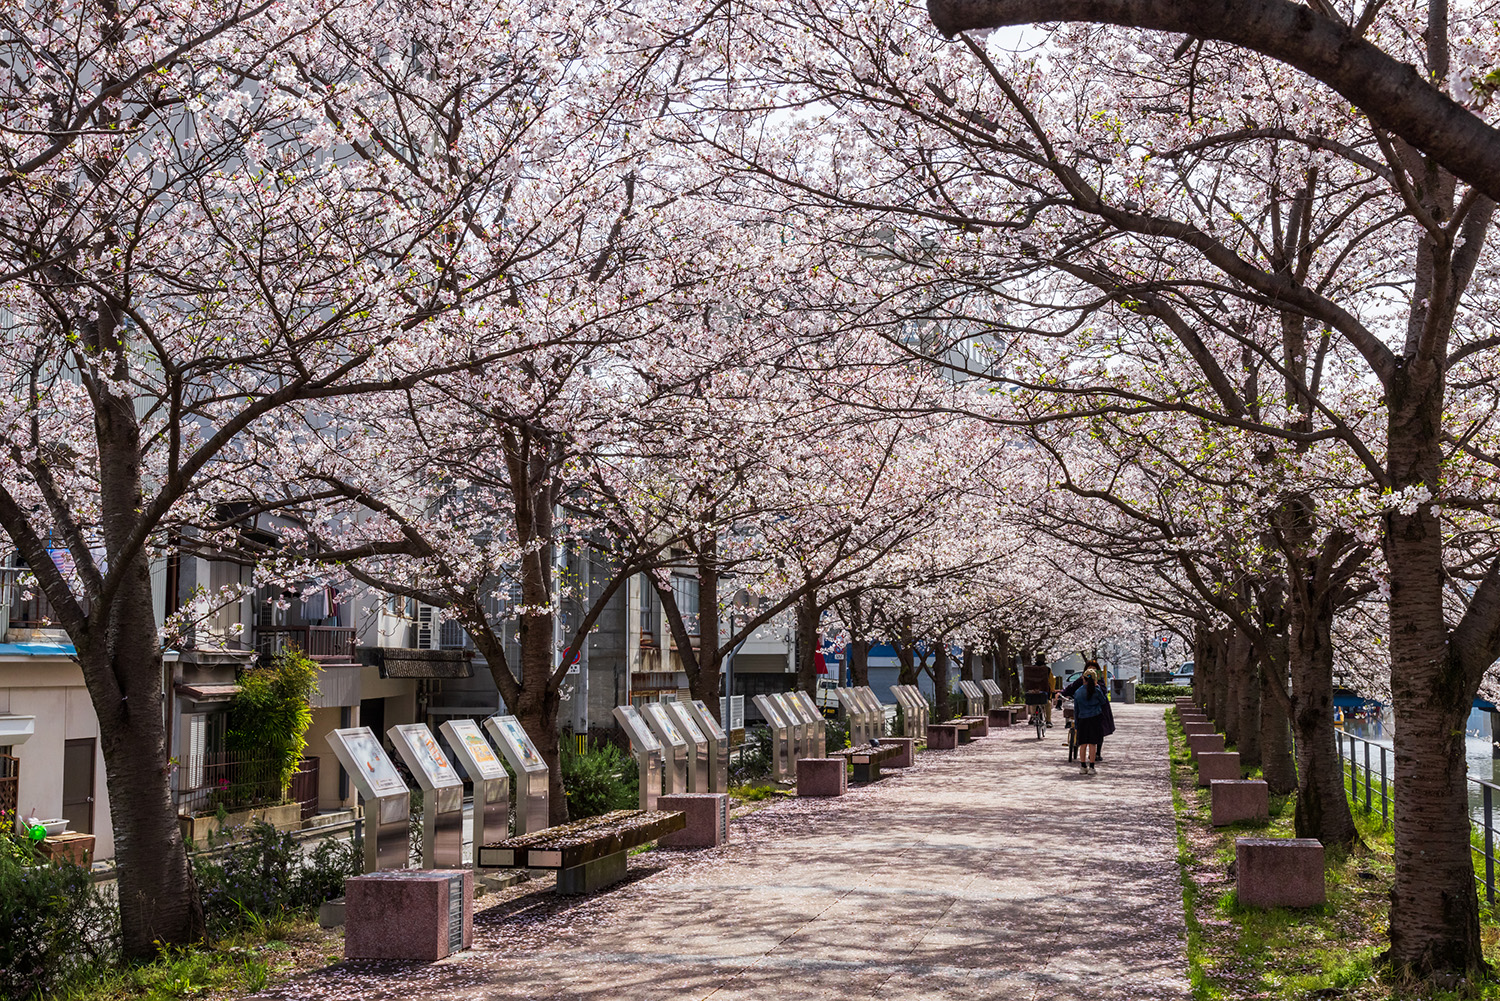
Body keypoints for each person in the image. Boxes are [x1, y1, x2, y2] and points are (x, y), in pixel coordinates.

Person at [1072, 670, 1109, 774]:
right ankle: (1092, 767)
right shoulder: (1097, 690)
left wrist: (1076, 723)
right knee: (1092, 744)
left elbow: (1076, 709)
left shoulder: (1078, 692)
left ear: (1083, 679)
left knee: (1083, 744)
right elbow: (1103, 701)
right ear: (1095, 679)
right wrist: (1097, 687)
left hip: (1082, 719)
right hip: (1095, 718)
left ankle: (1083, 766)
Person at [1022, 653, 1054, 728]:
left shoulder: (1030, 669)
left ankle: (1033, 716)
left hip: (1032, 691)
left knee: (1033, 703)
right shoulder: (1047, 669)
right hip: (1043, 692)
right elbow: (1051, 681)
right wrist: (1052, 690)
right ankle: (1048, 721)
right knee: (1048, 703)